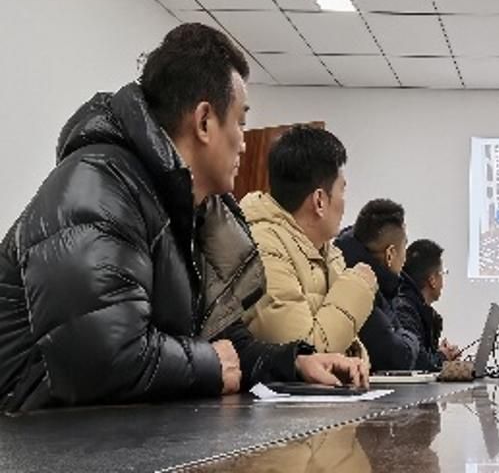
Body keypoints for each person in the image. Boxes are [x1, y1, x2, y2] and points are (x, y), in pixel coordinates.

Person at [0, 24, 366, 412]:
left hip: (108, 433)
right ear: (205, 121)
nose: (244, 142)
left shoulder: (195, 212)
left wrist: (295, 363)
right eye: (240, 122)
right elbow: (102, 358)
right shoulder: (98, 187)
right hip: (31, 435)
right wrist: (209, 364)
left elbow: (226, 344)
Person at [241, 126, 377, 360]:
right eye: (342, 191)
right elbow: (303, 355)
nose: (344, 203)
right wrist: (358, 286)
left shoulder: (328, 253)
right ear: (319, 201)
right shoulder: (263, 246)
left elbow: (349, 352)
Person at [334, 198, 426, 372]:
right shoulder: (360, 283)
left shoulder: (380, 284)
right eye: (404, 248)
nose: (405, 259)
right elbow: (397, 356)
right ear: (390, 254)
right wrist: (409, 337)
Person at [396, 240, 460, 370]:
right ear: (432, 280)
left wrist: (439, 353)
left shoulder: (416, 309)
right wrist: (442, 357)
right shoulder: (404, 310)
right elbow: (417, 361)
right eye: (442, 273)